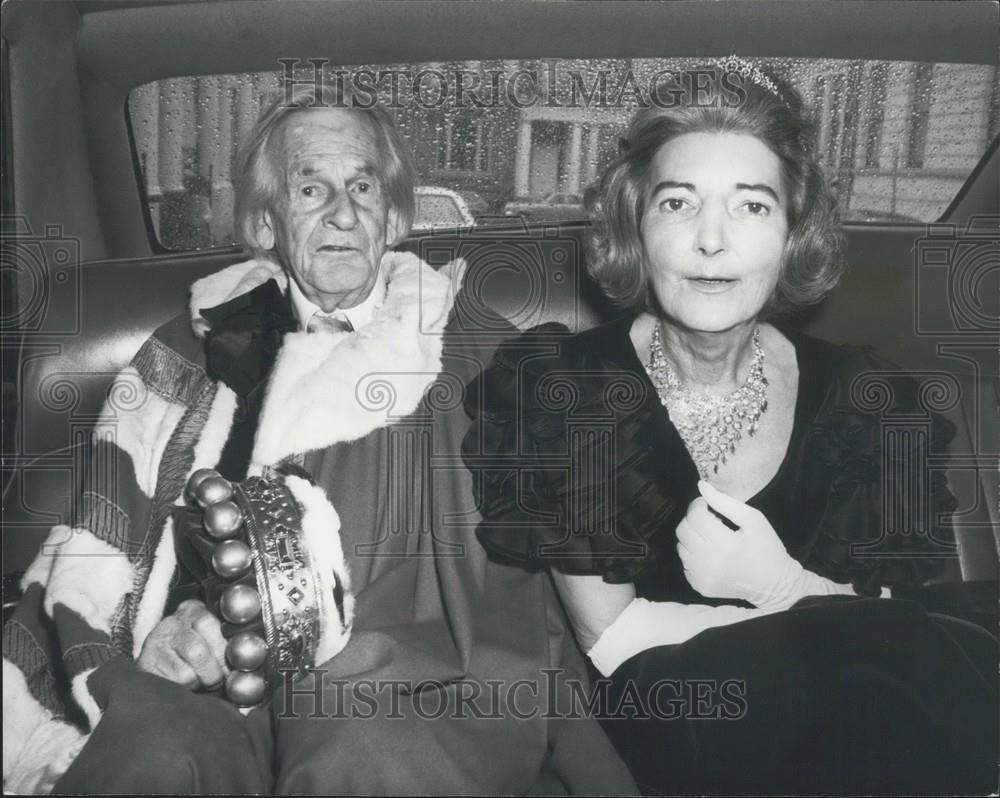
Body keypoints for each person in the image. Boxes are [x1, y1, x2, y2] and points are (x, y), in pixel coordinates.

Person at [1, 83, 637, 795]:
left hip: (413, 680)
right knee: (152, 753)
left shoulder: (485, 353)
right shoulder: (186, 355)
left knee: (363, 746)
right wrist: (166, 632)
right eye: (311, 188)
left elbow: (539, 584)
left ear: (393, 215)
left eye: (362, 186)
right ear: (268, 222)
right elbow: (109, 552)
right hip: (218, 686)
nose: (342, 212)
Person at [462, 60, 997, 795]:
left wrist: (777, 585)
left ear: (793, 235)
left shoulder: (869, 400)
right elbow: (614, 640)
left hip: (867, 708)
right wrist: (814, 607)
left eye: (751, 207)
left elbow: (887, 612)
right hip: (680, 718)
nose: (712, 241)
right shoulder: (568, 391)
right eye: (678, 203)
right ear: (635, 227)